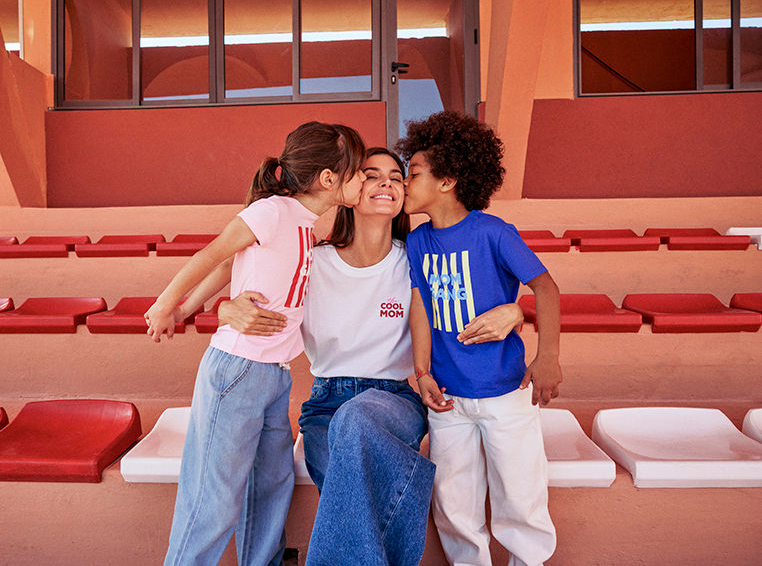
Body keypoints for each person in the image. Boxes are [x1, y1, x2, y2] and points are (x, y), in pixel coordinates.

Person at [218, 147, 525, 565]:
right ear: (349, 190)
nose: (386, 183)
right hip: (325, 406)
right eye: (372, 174)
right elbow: (247, 284)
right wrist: (224, 308)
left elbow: (469, 297)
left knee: (358, 419)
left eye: (397, 177)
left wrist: (518, 309)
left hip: (395, 399)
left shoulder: (416, 258)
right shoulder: (312, 259)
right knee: (356, 486)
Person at [144, 121, 367, 566]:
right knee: (214, 497)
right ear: (329, 179)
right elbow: (214, 255)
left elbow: (233, 269)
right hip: (237, 372)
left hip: (274, 377)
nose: (363, 180)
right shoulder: (272, 212)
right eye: (358, 171)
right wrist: (168, 305)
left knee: (271, 487)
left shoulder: (306, 226)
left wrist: (193, 309)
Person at [397, 111, 562, 566]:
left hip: (505, 393)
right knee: (454, 505)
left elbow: (545, 287)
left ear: (447, 180)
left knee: (520, 496)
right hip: (448, 399)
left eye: (413, 173)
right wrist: (422, 371)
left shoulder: (493, 233)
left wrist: (548, 356)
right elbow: (421, 308)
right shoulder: (417, 242)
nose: (405, 184)